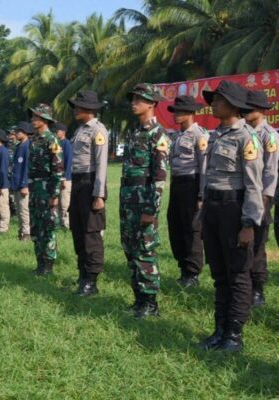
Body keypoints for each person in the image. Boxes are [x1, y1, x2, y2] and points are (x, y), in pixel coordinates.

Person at [198, 81, 263, 352]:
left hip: (233, 210)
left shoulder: (246, 137)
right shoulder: (216, 135)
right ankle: (220, 329)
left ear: (234, 106)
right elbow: (208, 175)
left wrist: (249, 223)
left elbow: (254, 184)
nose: (213, 103)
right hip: (213, 209)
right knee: (219, 274)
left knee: (237, 274)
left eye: (219, 100)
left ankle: (234, 335)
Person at [121, 83, 169, 318]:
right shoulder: (135, 132)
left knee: (145, 250)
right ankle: (139, 300)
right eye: (133, 98)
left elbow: (159, 177)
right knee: (130, 250)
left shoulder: (157, 134)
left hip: (144, 201)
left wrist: (151, 209)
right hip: (128, 201)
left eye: (139, 99)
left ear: (152, 103)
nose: (133, 103)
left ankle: (151, 303)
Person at [67, 91, 108, 296]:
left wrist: (99, 195)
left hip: (90, 183)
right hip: (77, 184)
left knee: (91, 234)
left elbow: (101, 165)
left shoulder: (98, 130)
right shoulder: (79, 130)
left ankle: (91, 281)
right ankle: (83, 274)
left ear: (89, 109)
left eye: (78, 106)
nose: (75, 109)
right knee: (78, 231)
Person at [166, 96, 208, 288]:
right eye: (175, 111)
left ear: (191, 113)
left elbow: (204, 168)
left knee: (192, 229)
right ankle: (183, 268)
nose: (175, 115)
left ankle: (192, 273)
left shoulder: (199, 135)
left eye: (180, 111)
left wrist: (201, 195)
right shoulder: (177, 136)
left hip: (192, 185)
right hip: (177, 185)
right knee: (175, 226)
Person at [245, 90, 278, 308]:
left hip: (261, 197)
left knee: (258, 243)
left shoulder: (270, 136)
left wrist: (265, 203)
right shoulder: (244, 132)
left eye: (251, 108)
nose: (246, 111)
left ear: (262, 111)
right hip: (245, 195)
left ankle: (257, 289)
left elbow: (271, 173)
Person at [28, 104, 64, 275]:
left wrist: (54, 194)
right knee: (36, 226)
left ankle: (48, 265)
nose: (33, 120)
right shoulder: (34, 140)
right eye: (33, 117)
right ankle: (39, 263)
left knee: (48, 227)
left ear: (44, 120)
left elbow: (58, 170)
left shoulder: (52, 140)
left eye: (36, 117)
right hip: (34, 188)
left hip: (46, 188)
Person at [11, 121, 33, 241]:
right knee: (19, 209)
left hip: (23, 183)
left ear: (25, 133)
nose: (16, 133)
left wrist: (25, 184)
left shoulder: (27, 146)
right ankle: (21, 231)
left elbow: (27, 167)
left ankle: (26, 232)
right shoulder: (19, 146)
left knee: (24, 209)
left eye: (19, 131)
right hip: (16, 182)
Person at [52, 122, 72, 229]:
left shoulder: (66, 143)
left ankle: (66, 224)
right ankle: (59, 223)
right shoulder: (56, 143)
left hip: (65, 178)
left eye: (57, 131)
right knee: (57, 202)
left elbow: (68, 162)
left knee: (65, 203)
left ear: (63, 132)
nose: (55, 133)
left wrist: (65, 178)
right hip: (57, 177)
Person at [7, 127, 19, 217]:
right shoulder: (7, 145)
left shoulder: (18, 145)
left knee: (15, 193)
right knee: (9, 193)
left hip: (15, 172)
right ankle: (11, 210)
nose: (9, 136)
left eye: (11, 134)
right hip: (8, 172)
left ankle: (15, 210)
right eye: (9, 134)